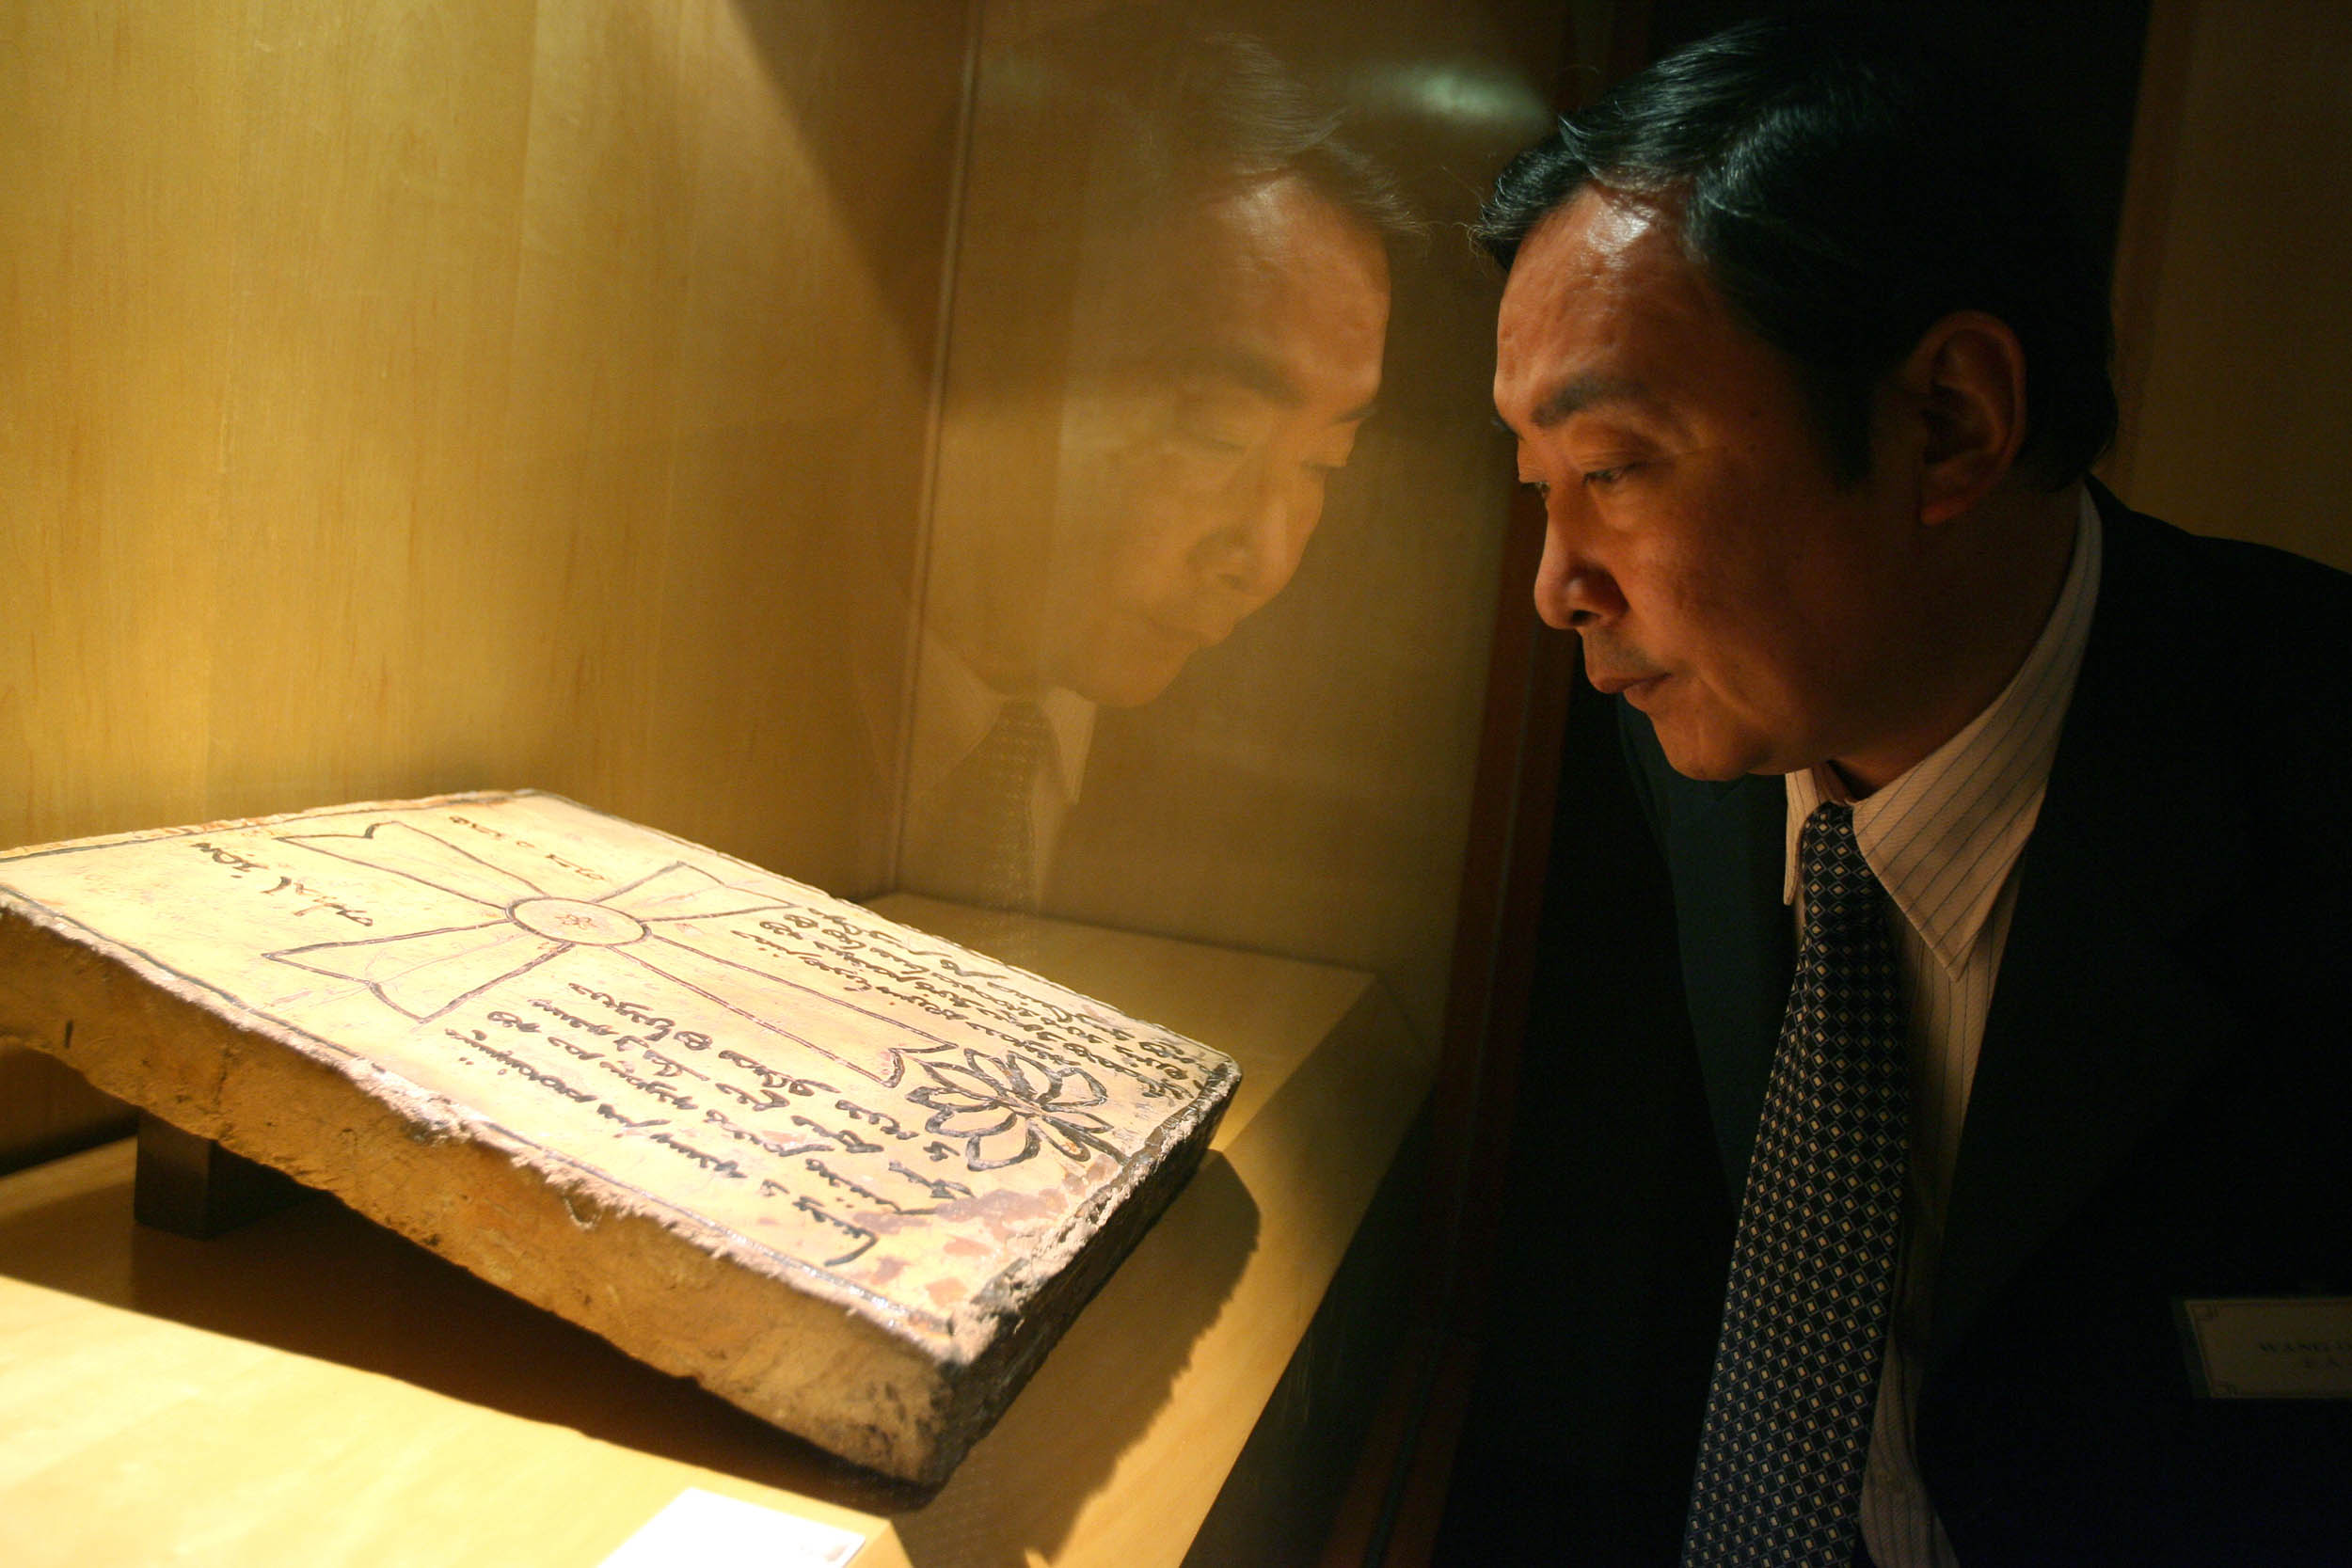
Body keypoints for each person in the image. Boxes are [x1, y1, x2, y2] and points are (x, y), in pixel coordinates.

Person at [1457, 12, 2350, 1565]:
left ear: (1950, 422)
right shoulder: (1705, 732)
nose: (1556, 585)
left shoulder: (2310, 769)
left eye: (1613, 466)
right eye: (1538, 486)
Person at [900, 21, 1413, 912]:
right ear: (974, 346)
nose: (1267, 559)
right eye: (1218, 435)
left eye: (1325, 463)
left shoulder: (1278, 785)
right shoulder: (691, 625)